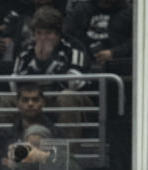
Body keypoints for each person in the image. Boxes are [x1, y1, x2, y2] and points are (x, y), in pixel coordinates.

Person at [10, 6, 92, 137]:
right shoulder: (26, 50)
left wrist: (47, 60)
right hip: (36, 99)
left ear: (58, 33)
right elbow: (14, 84)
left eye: (48, 33)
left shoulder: (73, 47)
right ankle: (15, 147)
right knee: (7, 99)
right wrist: (37, 62)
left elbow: (75, 83)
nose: (43, 38)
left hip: (68, 99)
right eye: (38, 33)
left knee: (67, 96)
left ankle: (66, 152)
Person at [0, 82, 63, 168]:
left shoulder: (56, 133)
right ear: (18, 104)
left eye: (35, 99)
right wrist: (11, 163)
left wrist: (46, 158)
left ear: (43, 103)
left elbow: (69, 169)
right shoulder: (6, 135)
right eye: (25, 100)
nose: (30, 104)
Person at [64, 0, 132, 71]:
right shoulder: (82, 8)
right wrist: (81, 51)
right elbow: (65, 33)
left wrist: (114, 53)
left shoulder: (129, 11)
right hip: (84, 64)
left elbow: (138, 40)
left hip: (117, 66)